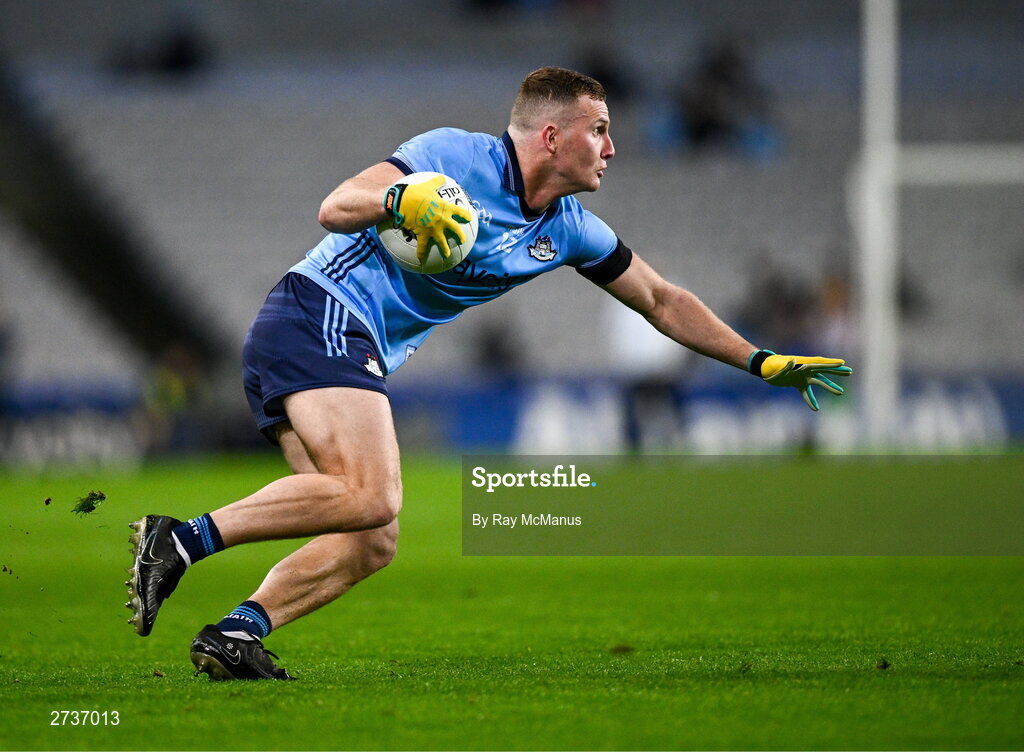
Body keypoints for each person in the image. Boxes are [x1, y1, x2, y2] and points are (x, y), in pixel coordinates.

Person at [126, 67, 852, 681]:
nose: (613, 147)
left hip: (343, 341)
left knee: (370, 534)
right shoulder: (451, 157)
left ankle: (238, 632)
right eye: (599, 129)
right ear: (551, 136)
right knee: (372, 491)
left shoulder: (567, 228)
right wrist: (395, 199)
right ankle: (180, 541)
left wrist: (762, 359)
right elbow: (333, 206)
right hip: (318, 314)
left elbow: (662, 301)